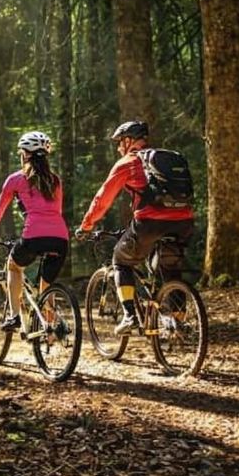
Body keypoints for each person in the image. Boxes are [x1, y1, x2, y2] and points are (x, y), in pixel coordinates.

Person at [75, 121, 194, 334]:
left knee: (121, 260)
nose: (119, 148)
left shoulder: (128, 162)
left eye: (120, 142)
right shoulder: (166, 159)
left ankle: (130, 316)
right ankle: (177, 321)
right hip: (184, 222)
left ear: (129, 140)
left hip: (150, 223)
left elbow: (102, 199)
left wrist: (86, 225)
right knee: (170, 269)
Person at [0, 131, 70, 332]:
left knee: (14, 267)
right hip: (60, 238)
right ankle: (51, 330)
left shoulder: (16, 179)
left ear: (25, 154)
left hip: (33, 236)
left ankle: (14, 316)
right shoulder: (55, 180)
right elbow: (56, 211)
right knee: (46, 286)